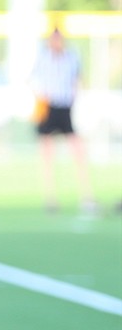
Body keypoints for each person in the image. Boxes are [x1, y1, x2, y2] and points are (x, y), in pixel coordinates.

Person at [32, 25, 97, 214]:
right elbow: (33, 80)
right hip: (49, 107)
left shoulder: (71, 58)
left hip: (65, 107)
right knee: (47, 153)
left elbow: (78, 81)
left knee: (78, 151)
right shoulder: (43, 58)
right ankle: (50, 197)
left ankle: (86, 194)